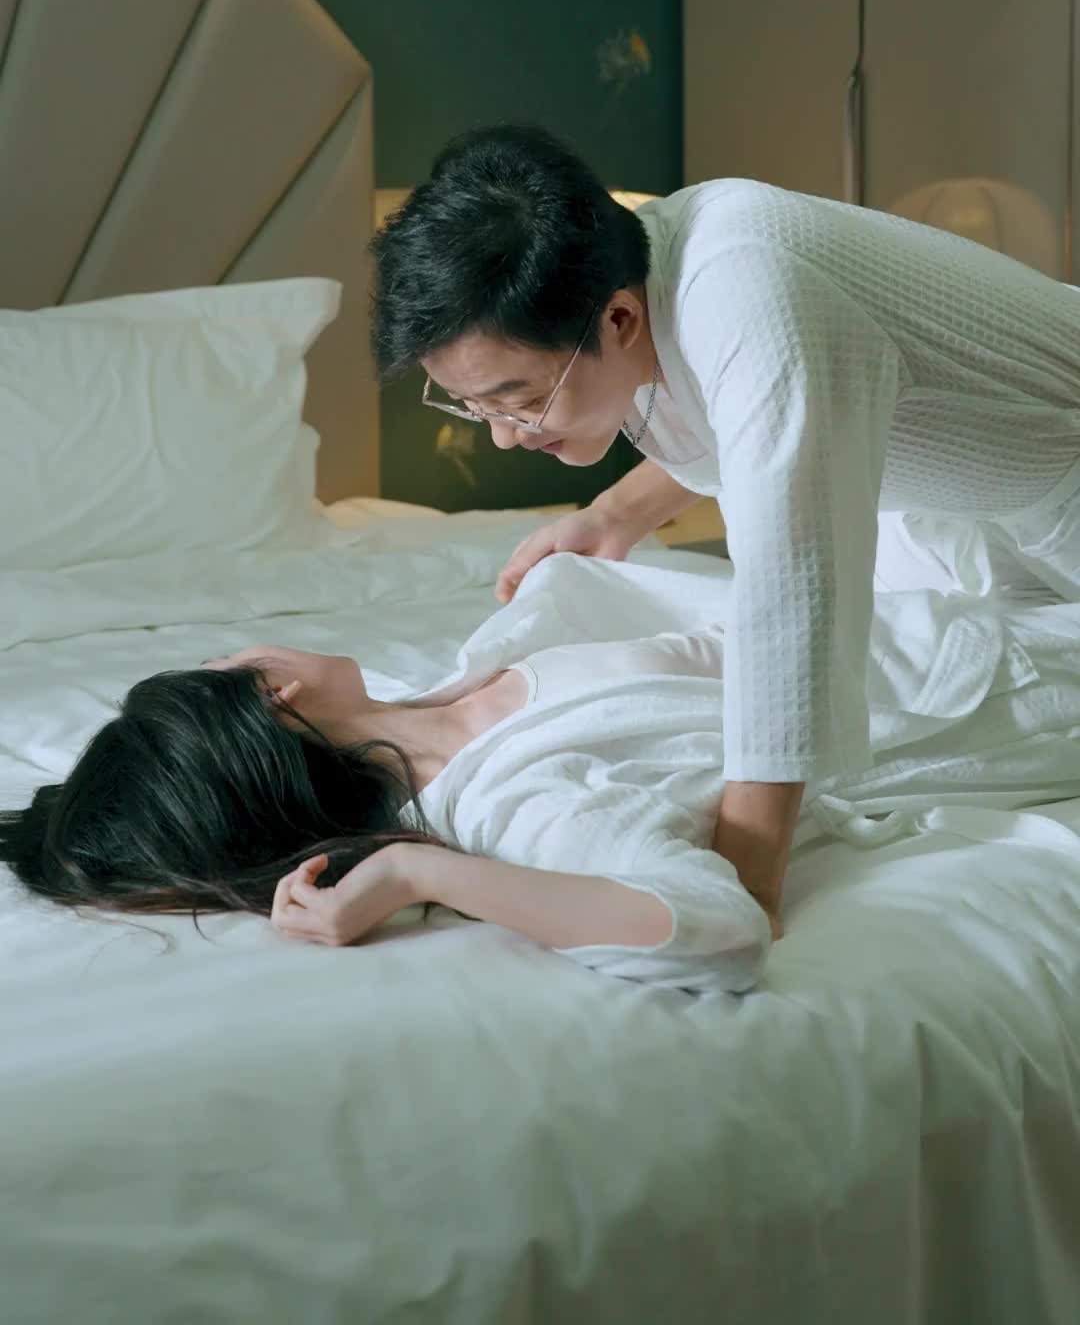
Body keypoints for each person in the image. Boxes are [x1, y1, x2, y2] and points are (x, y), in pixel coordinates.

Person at [371, 124, 1080, 925]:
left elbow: (790, 595)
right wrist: (614, 515)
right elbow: (741, 417)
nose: (504, 436)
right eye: (473, 408)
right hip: (977, 513)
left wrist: (744, 882)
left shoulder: (751, 288)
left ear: (617, 321)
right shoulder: (643, 266)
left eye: (520, 399)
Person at [0, 606, 775, 994]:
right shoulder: (510, 796)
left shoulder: (436, 702)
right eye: (227, 658)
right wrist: (414, 871)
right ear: (274, 693)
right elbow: (722, 933)